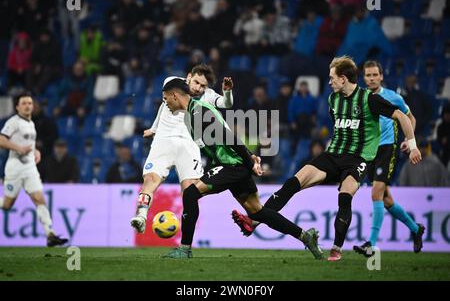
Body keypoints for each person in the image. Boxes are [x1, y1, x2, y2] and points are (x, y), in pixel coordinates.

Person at [231, 56, 422, 261]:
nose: (329, 82)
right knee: (292, 183)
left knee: (345, 197)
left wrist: (412, 146)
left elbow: (402, 117)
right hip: (333, 155)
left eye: (332, 78)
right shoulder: (333, 99)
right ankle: (254, 222)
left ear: (343, 78)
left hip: (357, 159)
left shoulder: (370, 99)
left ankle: (336, 249)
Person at [160, 78, 323, 260]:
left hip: (232, 165)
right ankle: (305, 236)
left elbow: (229, 137)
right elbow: (216, 145)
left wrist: (249, 161)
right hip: (232, 165)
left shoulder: (199, 112)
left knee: (190, 194)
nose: (165, 103)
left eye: (166, 99)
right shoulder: (192, 114)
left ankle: (184, 249)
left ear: (175, 95)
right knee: (258, 212)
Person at [130, 64, 234, 233]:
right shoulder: (173, 82)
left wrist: (227, 92)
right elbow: (163, 105)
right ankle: (141, 216)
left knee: (190, 191)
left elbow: (226, 104)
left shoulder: (207, 96)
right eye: (196, 82)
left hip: (189, 144)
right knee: (150, 179)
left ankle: (185, 237)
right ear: (188, 77)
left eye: (203, 86)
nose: (198, 88)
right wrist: (154, 129)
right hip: (164, 140)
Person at [353, 61, 425, 257]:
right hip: (369, 151)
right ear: (363, 78)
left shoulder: (393, 97)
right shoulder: (360, 98)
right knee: (386, 200)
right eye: (368, 75)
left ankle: (371, 244)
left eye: (375, 74)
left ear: (381, 76)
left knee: (376, 193)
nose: (372, 78)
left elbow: (411, 119)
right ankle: (415, 229)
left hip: (387, 149)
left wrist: (409, 143)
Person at [0, 92, 68, 247]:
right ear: (17, 107)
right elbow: (1, 139)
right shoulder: (13, 122)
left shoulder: (31, 124)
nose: (27, 106)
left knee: (40, 199)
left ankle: (50, 234)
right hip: (15, 169)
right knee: (7, 205)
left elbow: (29, 144)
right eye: (23, 103)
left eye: (30, 103)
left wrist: (35, 152)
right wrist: (18, 148)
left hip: (30, 168)